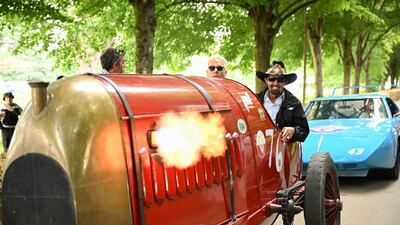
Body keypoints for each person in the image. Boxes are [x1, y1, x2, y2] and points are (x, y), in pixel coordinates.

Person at [256, 60, 309, 143]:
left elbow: (304, 131)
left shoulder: (294, 103)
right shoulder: (255, 101)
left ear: (285, 82)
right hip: (259, 150)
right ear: (266, 80)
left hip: (283, 153)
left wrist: (293, 131)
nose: (275, 83)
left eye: (280, 80)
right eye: (271, 79)